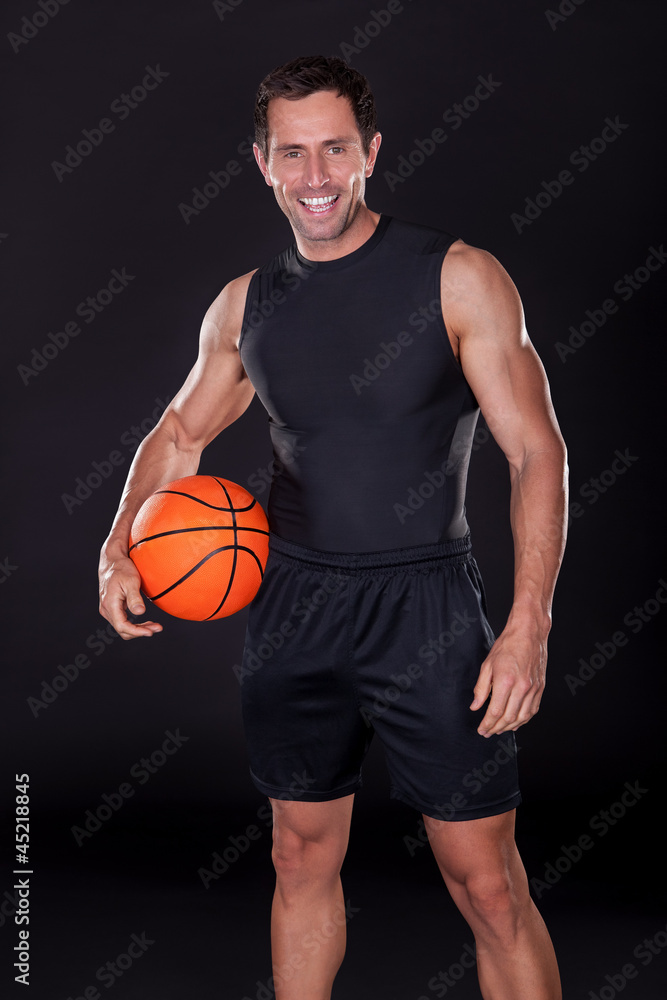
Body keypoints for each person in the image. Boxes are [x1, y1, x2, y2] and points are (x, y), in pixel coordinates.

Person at [98, 54, 567, 1000]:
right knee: (299, 858)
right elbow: (182, 430)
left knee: (487, 885)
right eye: (293, 154)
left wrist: (527, 626)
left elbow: (536, 454)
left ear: (371, 153)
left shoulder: (459, 278)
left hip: (427, 608)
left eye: (336, 151)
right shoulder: (247, 304)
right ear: (262, 164)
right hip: (293, 606)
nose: (316, 177)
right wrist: (116, 544)